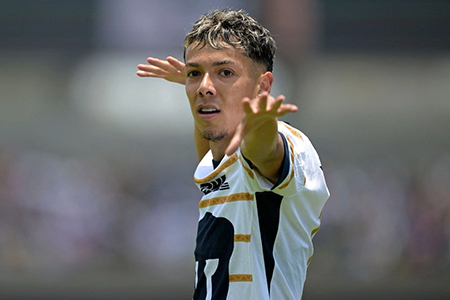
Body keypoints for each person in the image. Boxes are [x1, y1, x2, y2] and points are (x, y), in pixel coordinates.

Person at [137, 8, 329, 300]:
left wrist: (261, 124)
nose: (203, 87)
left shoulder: (288, 142)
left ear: (263, 86)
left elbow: (263, 153)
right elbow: (212, 155)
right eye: (194, 73)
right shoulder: (225, 152)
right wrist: (207, 87)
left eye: (225, 72)